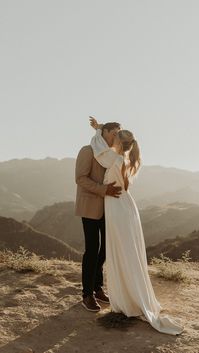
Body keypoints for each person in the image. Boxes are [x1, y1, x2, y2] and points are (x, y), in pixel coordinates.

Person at [88, 117, 184, 335]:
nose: (110, 139)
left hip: (118, 209)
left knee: (122, 253)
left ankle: (129, 301)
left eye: (114, 137)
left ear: (118, 143)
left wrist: (99, 130)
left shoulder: (113, 158)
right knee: (127, 254)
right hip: (124, 208)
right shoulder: (127, 160)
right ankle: (131, 297)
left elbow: (97, 149)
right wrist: (100, 128)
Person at [75, 120, 122, 312]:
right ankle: (87, 294)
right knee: (92, 249)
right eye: (114, 134)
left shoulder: (110, 154)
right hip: (90, 206)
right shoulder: (87, 150)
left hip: (108, 207)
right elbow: (80, 178)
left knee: (105, 250)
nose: (116, 138)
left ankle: (97, 287)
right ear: (105, 133)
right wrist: (103, 190)